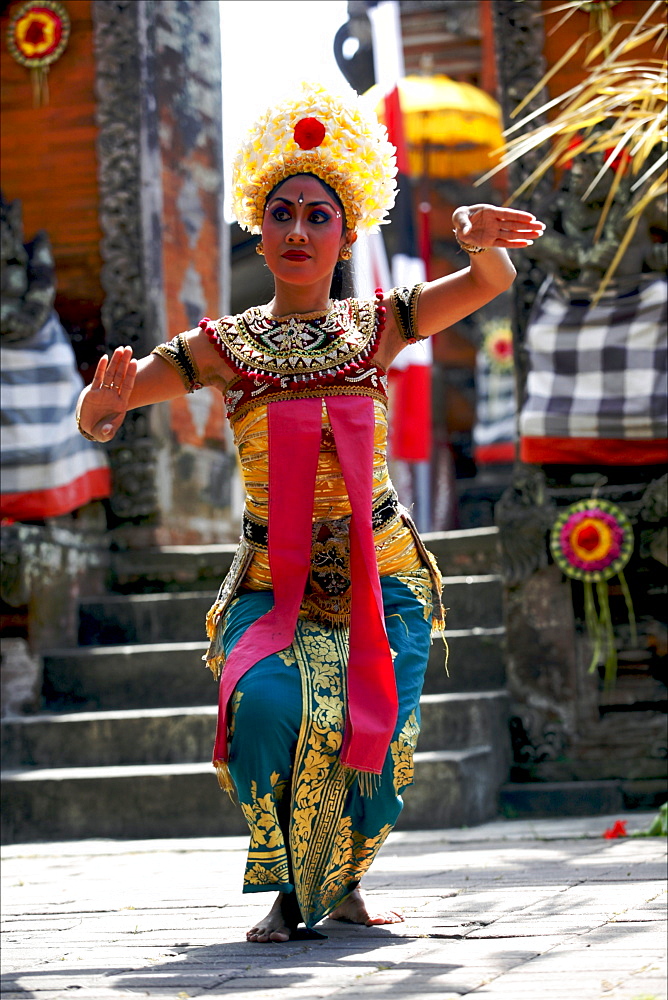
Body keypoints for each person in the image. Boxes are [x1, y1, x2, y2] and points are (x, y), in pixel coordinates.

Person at [76, 83, 544, 942]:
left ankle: (324, 891)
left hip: (385, 571)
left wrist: (480, 243)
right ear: (260, 227)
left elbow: (487, 284)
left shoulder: (381, 325)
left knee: (370, 728)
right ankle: (315, 882)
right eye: (281, 212)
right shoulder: (223, 346)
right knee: (262, 711)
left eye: (317, 215)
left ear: (347, 230)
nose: (297, 231)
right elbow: (109, 407)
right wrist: (98, 410)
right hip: (271, 577)